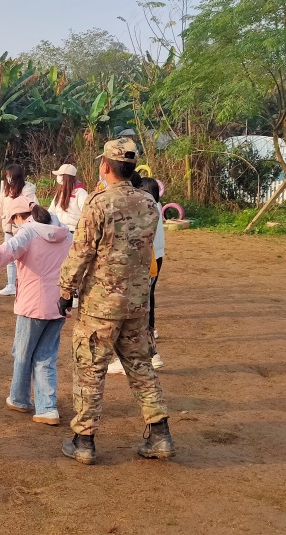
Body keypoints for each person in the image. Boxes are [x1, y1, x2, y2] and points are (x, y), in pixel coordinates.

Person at [57, 138, 174, 465]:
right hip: (137, 303)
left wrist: (65, 291)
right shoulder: (149, 203)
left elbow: (82, 252)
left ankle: (84, 440)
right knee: (141, 367)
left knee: (90, 370)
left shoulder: (99, 203)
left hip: (101, 305)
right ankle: (160, 434)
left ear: (106, 166)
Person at [0, 203, 71, 426]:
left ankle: (21, 399)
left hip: (32, 304)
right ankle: (47, 407)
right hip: (59, 303)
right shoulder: (64, 232)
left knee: (22, 353)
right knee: (46, 356)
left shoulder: (28, 232)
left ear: (18, 217)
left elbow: (2, 253)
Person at [110, 176, 166, 373]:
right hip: (154, 259)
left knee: (132, 313)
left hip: (141, 262)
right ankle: (152, 354)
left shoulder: (140, 207)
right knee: (145, 306)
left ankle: (142, 356)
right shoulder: (155, 206)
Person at [0, 163, 37, 296]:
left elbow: (35, 208)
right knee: (9, 256)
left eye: (10, 175)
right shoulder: (6, 191)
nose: (8, 178)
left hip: (23, 229)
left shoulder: (27, 191)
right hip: (8, 228)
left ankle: (23, 284)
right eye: (7, 175)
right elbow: (0, 207)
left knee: (22, 259)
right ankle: (11, 284)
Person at [48, 164, 88, 234]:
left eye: (60, 175)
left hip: (75, 232)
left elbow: (87, 214)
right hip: (59, 230)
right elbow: (51, 212)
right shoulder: (59, 193)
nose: (58, 177)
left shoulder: (81, 193)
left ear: (67, 177)